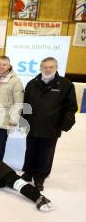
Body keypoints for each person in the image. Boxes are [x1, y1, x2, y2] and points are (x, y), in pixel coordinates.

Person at [22, 57, 78, 191]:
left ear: (56, 68)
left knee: (46, 154)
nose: (47, 69)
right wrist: (23, 121)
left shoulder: (66, 85)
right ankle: (28, 173)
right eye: (45, 67)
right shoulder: (32, 84)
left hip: (51, 128)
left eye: (51, 67)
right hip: (33, 126)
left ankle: (40, 178)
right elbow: (25, 105)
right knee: (31, 151)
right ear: (40, 68)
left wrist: (65, 124)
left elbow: (71, 107)